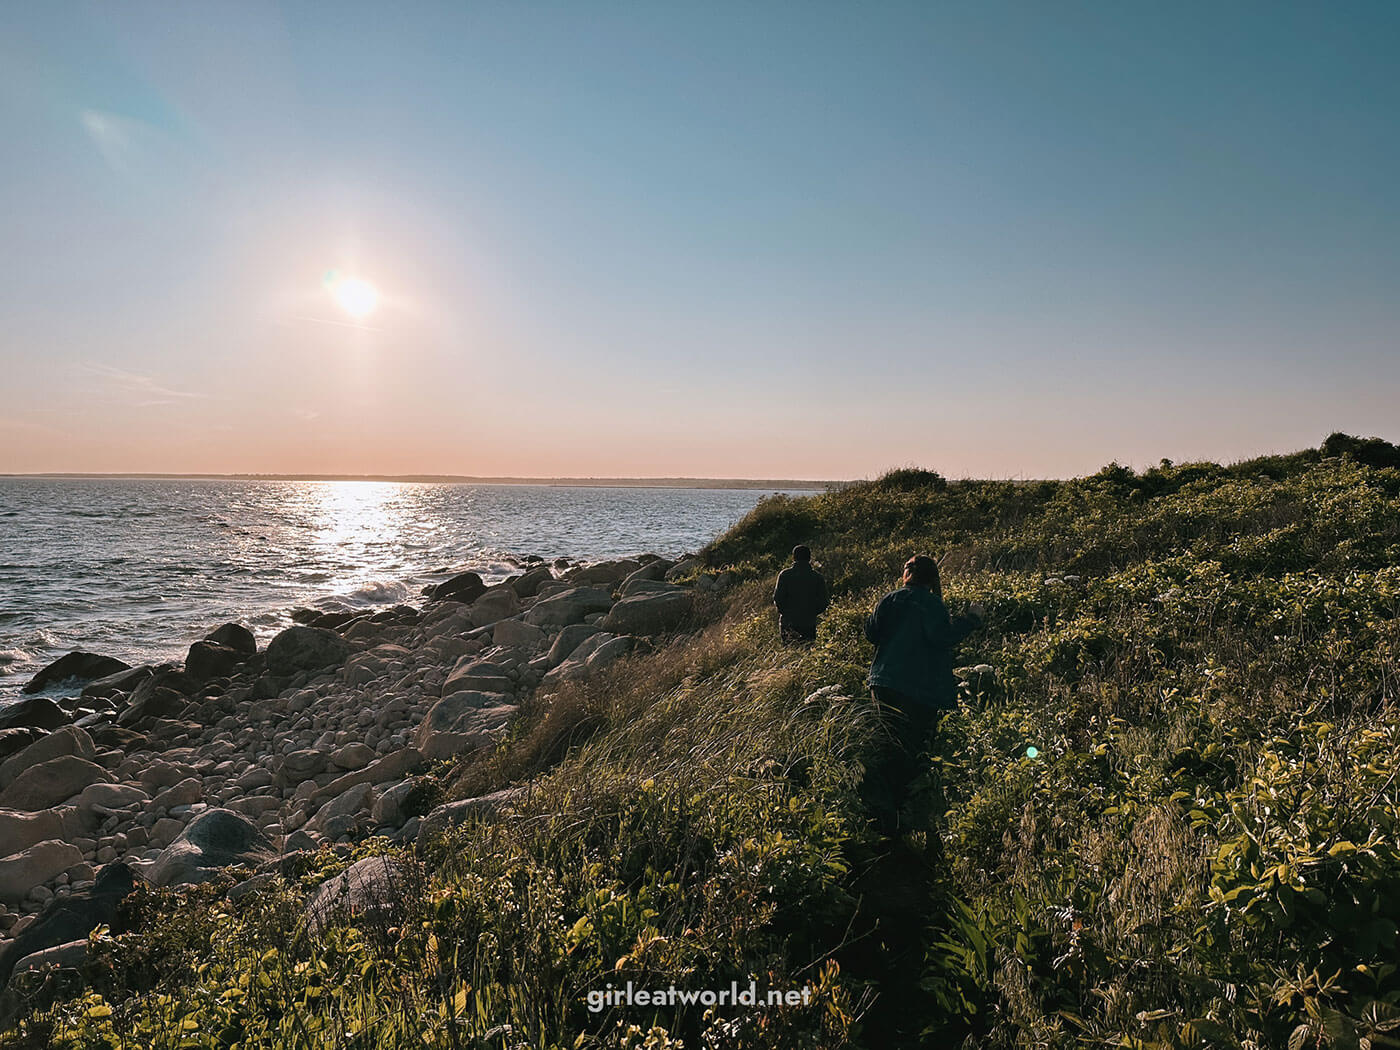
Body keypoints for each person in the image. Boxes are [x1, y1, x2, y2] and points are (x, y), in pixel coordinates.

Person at [861, 554, 982, 835]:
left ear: (908, 575)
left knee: (888, 742)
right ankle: (904, 815)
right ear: (932, 578)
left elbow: (871, 633)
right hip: (917, 688)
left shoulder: (889, 599)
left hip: (883, 682)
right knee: (912, 747)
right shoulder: (931, 604)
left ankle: (880, 813)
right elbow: (942, 638)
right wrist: (972, 620)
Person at [773, 545, 829, 643]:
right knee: (807, 652)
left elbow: (778, 599)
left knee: (790, 654)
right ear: (809, 558)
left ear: (793, 557)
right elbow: (824, 602)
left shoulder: (785, 575)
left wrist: (786, 614)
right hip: (808, 624)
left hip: (788, 622)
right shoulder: (817, 577)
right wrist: (811, 614)